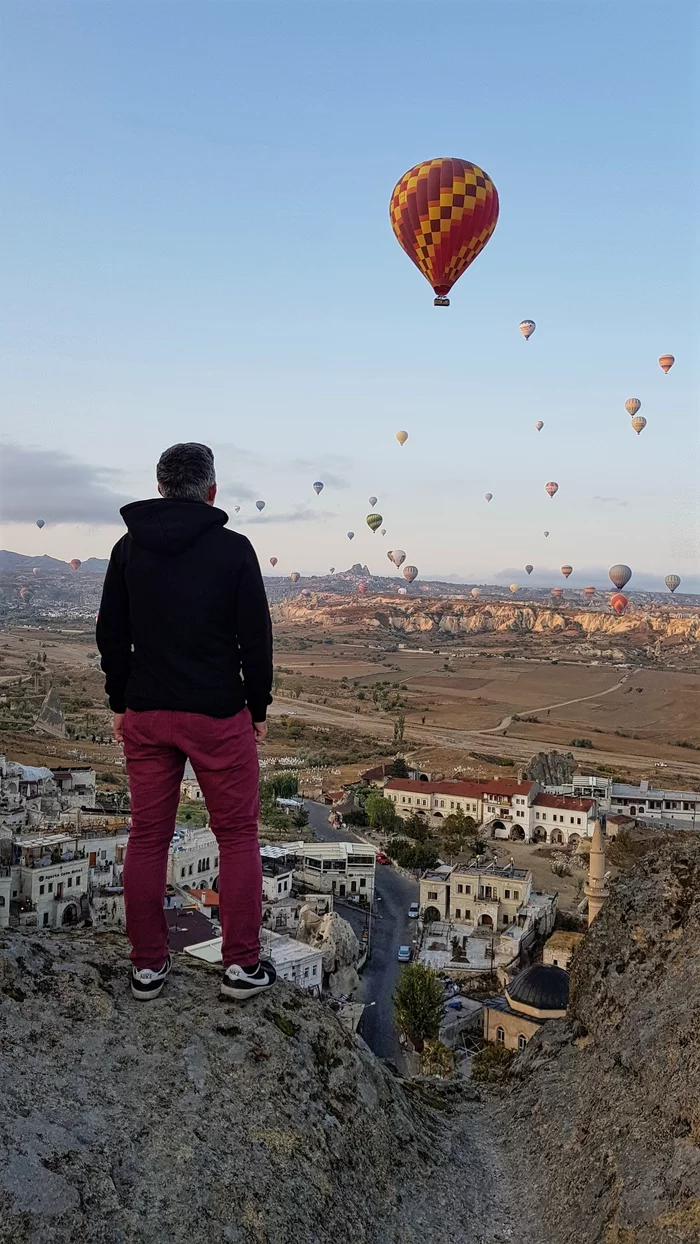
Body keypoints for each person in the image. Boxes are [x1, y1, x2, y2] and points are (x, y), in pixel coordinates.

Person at [96, 442, 275, 1002]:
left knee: (148, 837)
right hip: (218, 714)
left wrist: (120, 702)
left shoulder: (128, 549)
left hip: (148, 712)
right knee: (237, 835)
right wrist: (258, 706)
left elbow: (110, 634)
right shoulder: (235, 549)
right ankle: (241, 965)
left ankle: (148, 966)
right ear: (212, 491)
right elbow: (257, 638)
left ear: (160, 488)